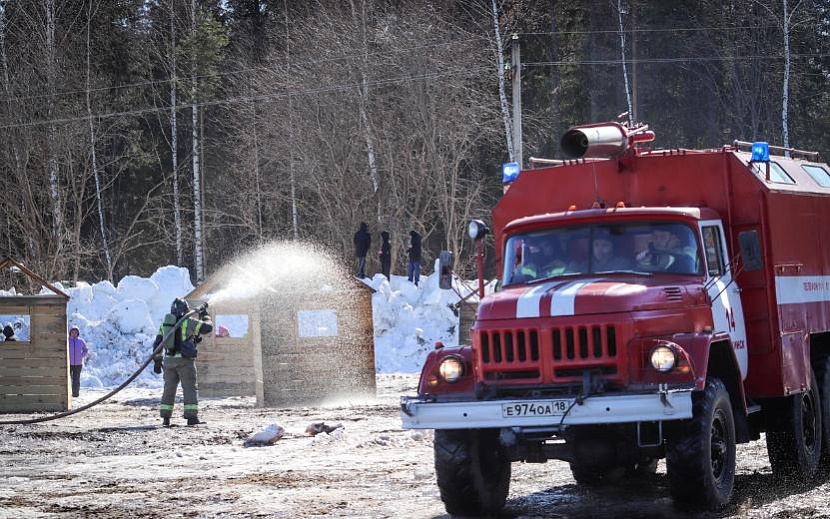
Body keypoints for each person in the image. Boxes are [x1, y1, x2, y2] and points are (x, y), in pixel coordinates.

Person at [152, 298, 213, 427]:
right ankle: (191, 418)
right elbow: (207, 328)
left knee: (169, 389)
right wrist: (204, 315)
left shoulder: (165, 324)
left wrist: (157, 362)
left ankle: (166, 418)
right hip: (185, 362)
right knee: (189, 388)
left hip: (169, 362)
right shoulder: (189, 321)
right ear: (185, 309)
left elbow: (157, 344)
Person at [68, 326, 89, 398]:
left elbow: (86, 350)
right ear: (70, 333)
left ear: (78, 333)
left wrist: (81, 355)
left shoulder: (81, 341)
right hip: (69, 364)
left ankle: (75, 394)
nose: (74, 334)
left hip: (78, 364)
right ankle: (68, 394)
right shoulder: (67, 341)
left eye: (75, 332)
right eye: (72, 332)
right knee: (68, 379)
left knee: (76, 379)